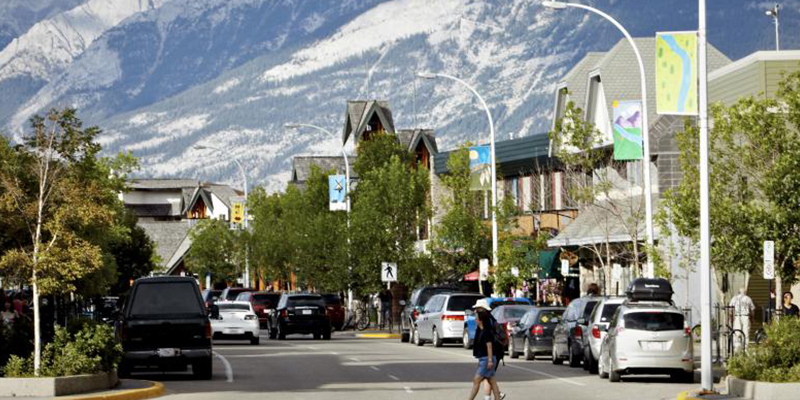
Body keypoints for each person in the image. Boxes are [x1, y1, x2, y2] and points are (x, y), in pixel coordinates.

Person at [467, 299, 505, 400]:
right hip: (486, 358)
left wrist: (489, 360)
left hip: (487, 358)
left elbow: (489, 345)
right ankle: (497, 397)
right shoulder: (482, 326)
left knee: (476, 380)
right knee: (491, 381)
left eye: (477, 310)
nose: (475, 313)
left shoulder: (486, 327)